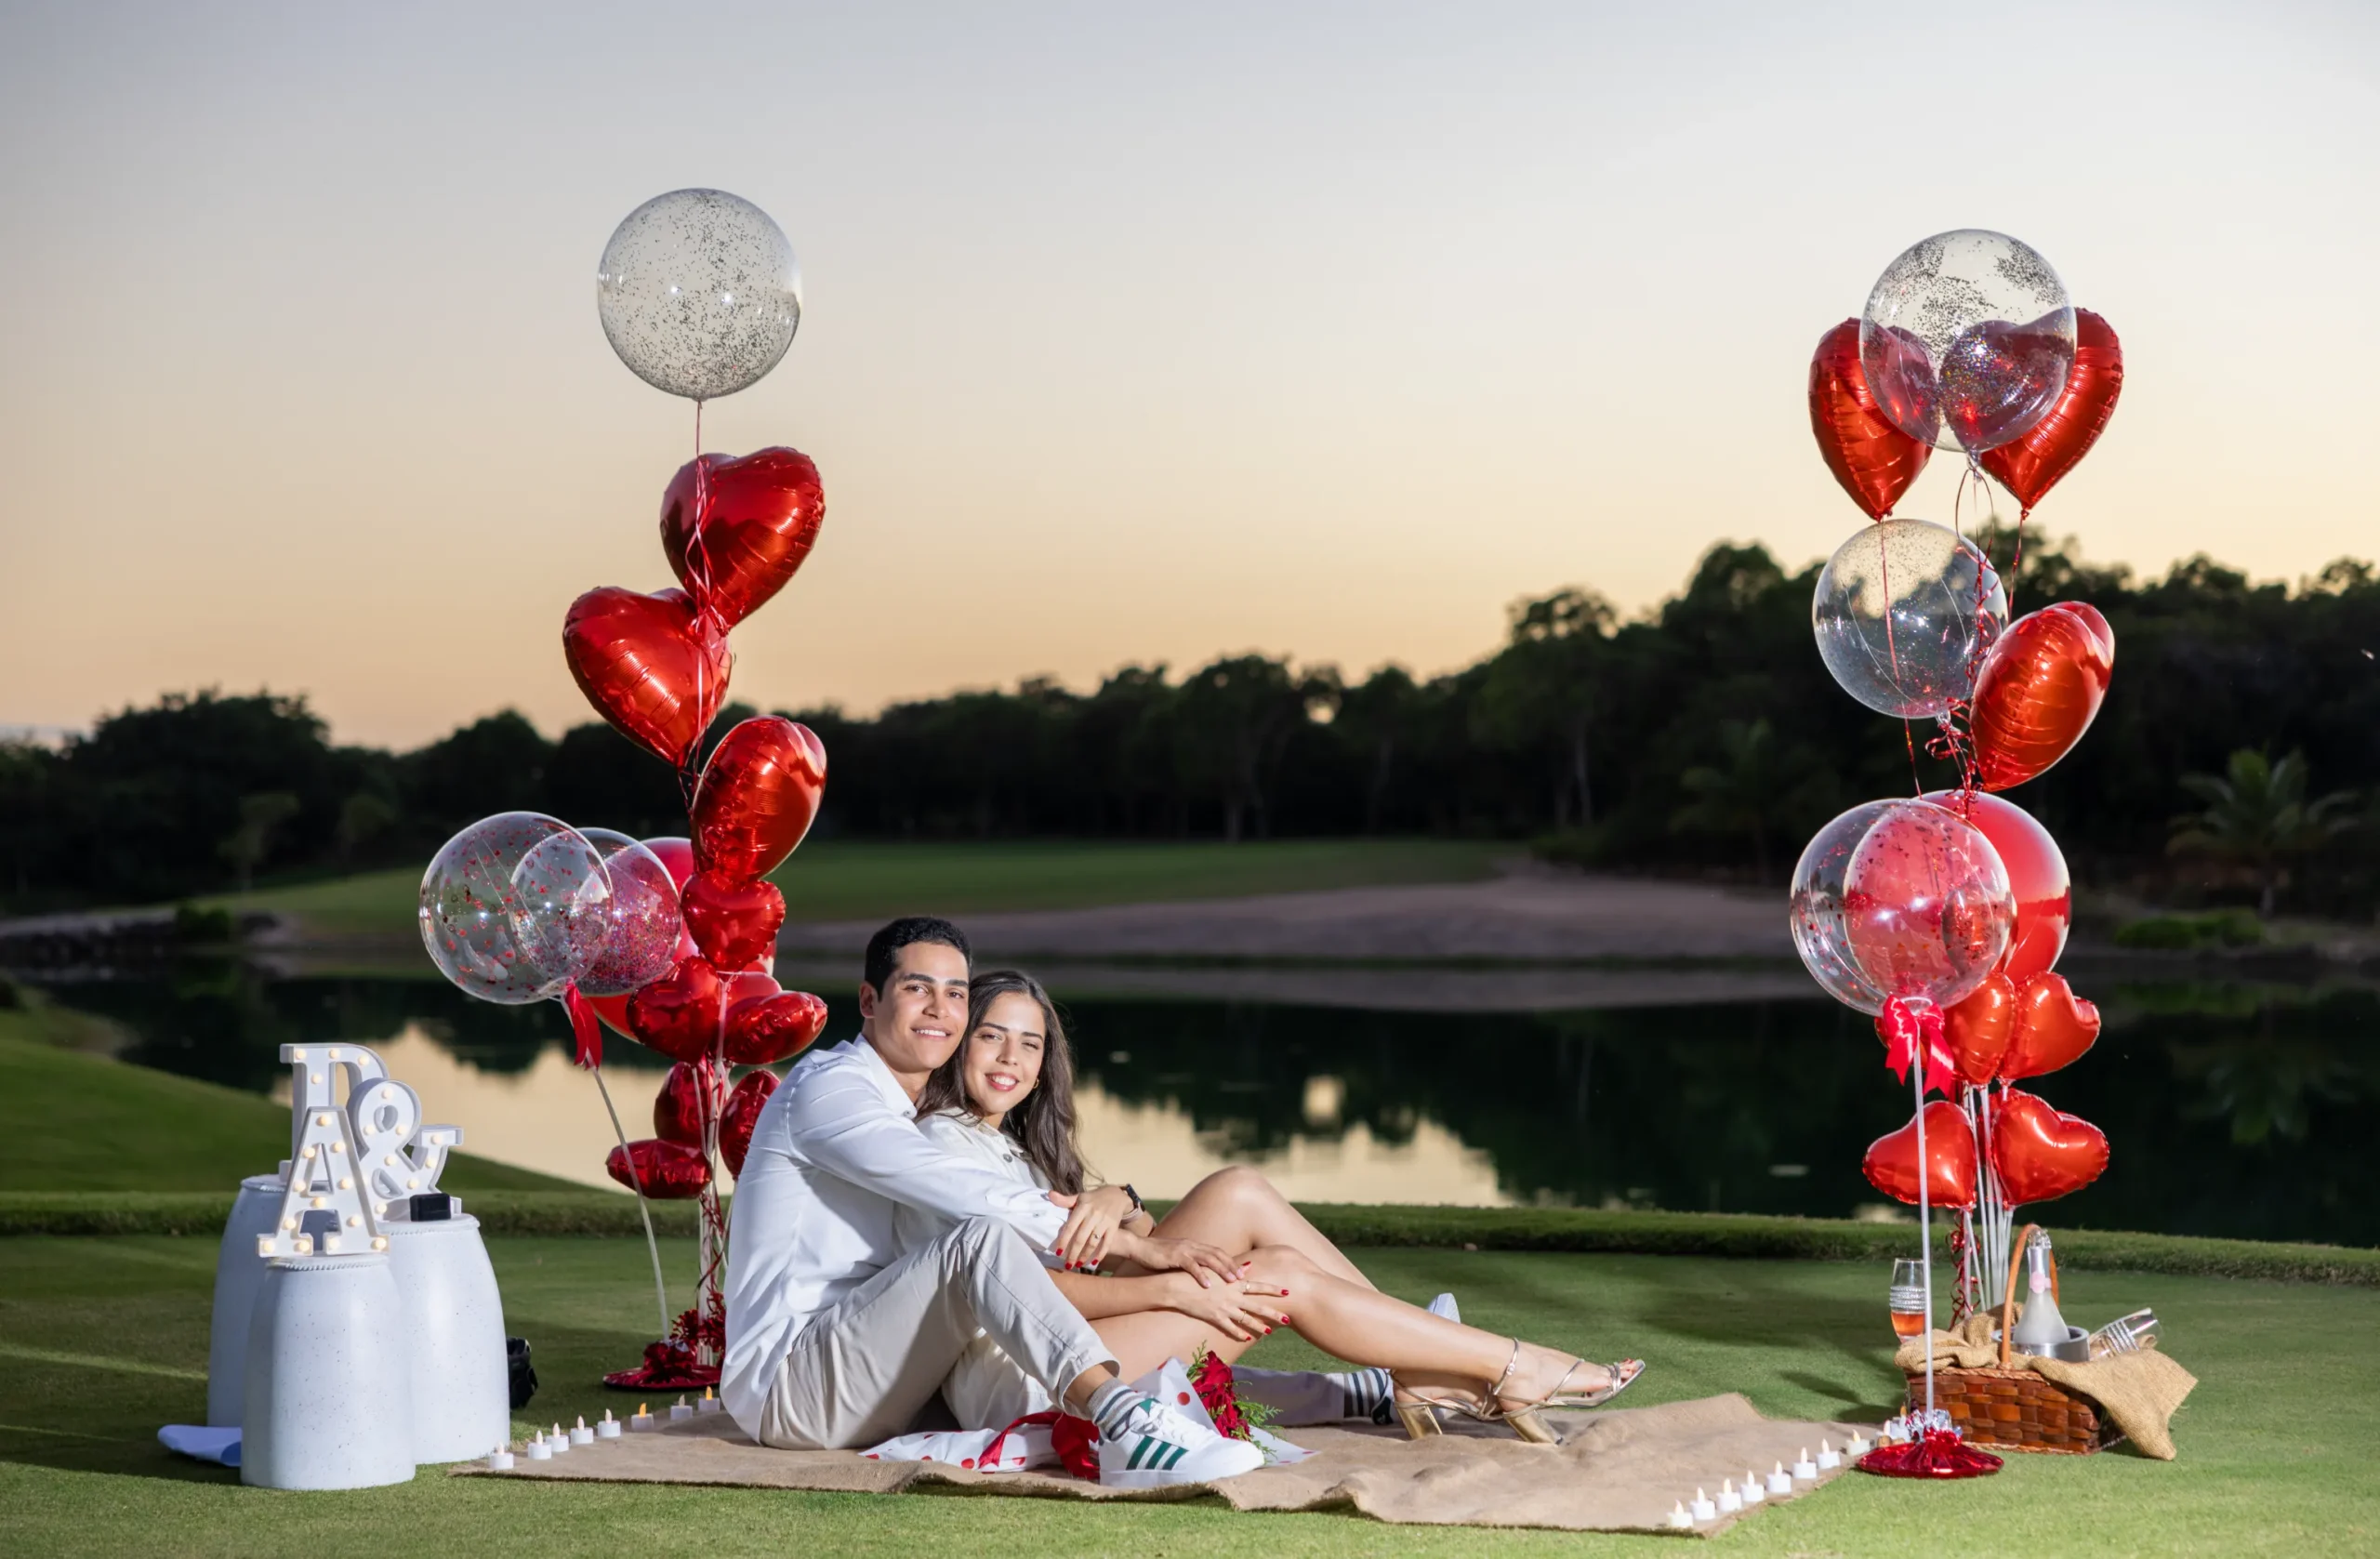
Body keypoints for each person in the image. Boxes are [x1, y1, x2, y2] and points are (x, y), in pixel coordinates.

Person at [899, 969, 1646, 1443]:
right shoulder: (945, 1147)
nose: (1009, 1058)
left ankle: (1415, 1365)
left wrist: (1115, 1198)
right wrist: (1165, 1285)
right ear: (959, 1042)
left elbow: (1142, 1234)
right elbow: (1011, 1290)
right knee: (1279, 1276)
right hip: (1034, 1376)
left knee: (1239, 1189)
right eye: (991, 1036)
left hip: (1084, 1338)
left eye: (1028, 1044)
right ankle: (1507, 1362)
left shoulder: (1015, 1146)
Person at [721, 917, 1266, 1486]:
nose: (939, 1008)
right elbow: (956, 1187)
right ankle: (1124, 1425)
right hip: (791, 1386)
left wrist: (1118, 1202)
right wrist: (1135, 1246)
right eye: (916, 988)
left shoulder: (914, 1111)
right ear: (868, 999)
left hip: (880, 1366)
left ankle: (1346, 1388)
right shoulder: (829, 1091)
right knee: (980, 1240)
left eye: (955, 993)